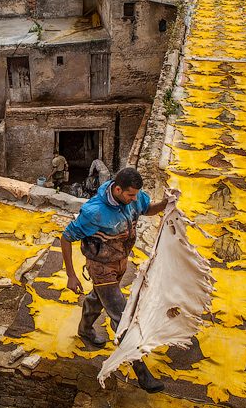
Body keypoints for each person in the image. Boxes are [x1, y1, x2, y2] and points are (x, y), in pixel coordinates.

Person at [60, 167, 170, 393]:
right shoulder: (94, 212)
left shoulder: (133, 199)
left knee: (98, 298)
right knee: (121, 316)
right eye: (130, 195)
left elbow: (147, 208)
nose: (134, 199)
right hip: (101, 267)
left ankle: (85, 329)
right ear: (117, 189)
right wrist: (71, 275)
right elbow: (66, 237)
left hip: (120, 261)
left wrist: (166, 204)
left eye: (136, 195)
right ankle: (142, 374)